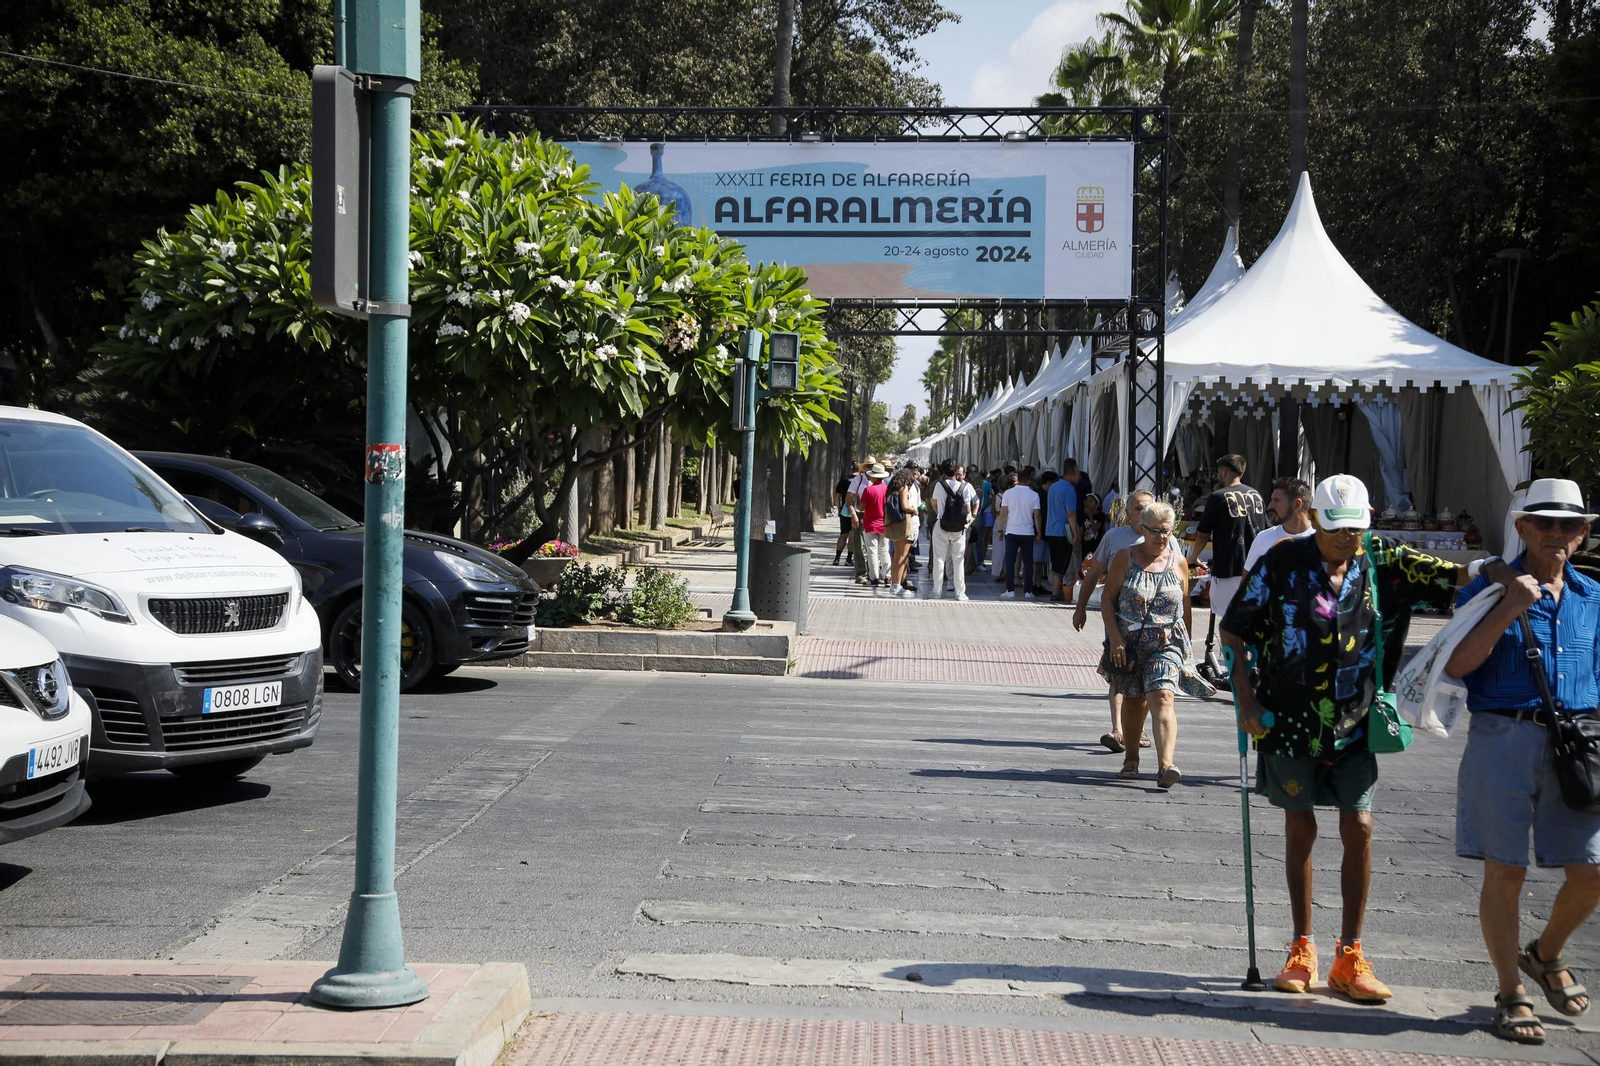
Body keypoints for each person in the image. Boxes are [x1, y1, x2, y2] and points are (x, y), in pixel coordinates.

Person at [1223, 473, 1521, 1003]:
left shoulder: (1383, 556)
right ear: (1315, 518)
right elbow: (1235, 627)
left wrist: (1495, 567)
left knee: (1359, 827)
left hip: (1358, 723)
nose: (1348, 541)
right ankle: (1302, 947)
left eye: (1357, 530)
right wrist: (1246, 698)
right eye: (1338, 530)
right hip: (1290, 721)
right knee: (1300, 829)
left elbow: (1453, 575)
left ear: (1369, 519)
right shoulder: (1281, 561)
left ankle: (1351, 954)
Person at [1443, 478, 1600, 1045]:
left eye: (1570, 525)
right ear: (1523, 528)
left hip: (1577, 744)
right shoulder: (1485, 592)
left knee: (1592, 872)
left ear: (1583, 535)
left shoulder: (1593, 598)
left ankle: (1546, 953)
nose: (1557, 534)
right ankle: (1510, 991)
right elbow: (1458, 665)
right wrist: (1510, 606)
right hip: (1501, 736)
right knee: (1504, 870)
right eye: (1546, 523)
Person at [1099, 500, 1207, 787]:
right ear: (1142, 529)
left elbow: (1184, 605)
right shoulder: (1126, 557)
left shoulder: (1179, 561)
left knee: (1162, 697)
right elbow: (1108, 599)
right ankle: (1131, 759)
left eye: (1167, 531)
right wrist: (1115, 639)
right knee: (1134, 702)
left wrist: (1188, 650)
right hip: (1130, 645)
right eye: (1155, 531)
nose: (1161, 537)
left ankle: (1166, 765)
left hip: (1166, 643)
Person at [1075, 490, 1180, 752]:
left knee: (1149, 681)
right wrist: (1081, 607)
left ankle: (1137, 730)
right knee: (1121, 672)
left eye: (1147, 508)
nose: (1142, 513)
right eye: (1137, 509)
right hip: (1120, 621)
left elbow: (1180, 580)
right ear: (1127, 512)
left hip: (1157, 630)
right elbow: (1094, 573)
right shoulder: (1114, 538)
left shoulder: (1168, 540)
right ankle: (1118, 729)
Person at [1189, 454, 1266, 624]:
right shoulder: (1257, 495)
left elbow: (1203, 533)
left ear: (1224, 471)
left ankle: (1234, 651)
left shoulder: (1218, 497)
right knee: (1251, 618)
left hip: (1230, 567)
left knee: (1230, 620)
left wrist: (1193, 557)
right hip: (1256, 566)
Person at [928, 460, 979, 601]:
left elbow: (933, 501)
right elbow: (968, 507)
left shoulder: (939, 485)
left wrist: (939, 513)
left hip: (942, 526)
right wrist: (970, 519)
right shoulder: (965, 486)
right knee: (958, 559)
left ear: (943, 472)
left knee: (939, 559)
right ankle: (960, 593)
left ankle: (936, 591)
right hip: (959, 528)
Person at [1244, 477, 1316, 572]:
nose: (1270, 506)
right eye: (1272, 500)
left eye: (1276, 501)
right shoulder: (1263, 539)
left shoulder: (1323, 541)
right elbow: (1246, 585)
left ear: (1297, 504)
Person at [997, 468, 1043, 600]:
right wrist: (1038, 532)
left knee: (1010, 561)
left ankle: (1010, 590)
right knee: (1028, 562)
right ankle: (1028, 591)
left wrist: (1000, 530)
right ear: (1030, 479)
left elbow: (1003, 513)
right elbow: (1037, 516)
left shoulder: (1008, 493)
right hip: (1028, 532)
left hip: (1012, 531)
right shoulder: (1034, 495)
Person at [1043, 469, 1081, 603]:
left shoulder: (1053, 487)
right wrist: (1075, 533)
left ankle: (1057, 589)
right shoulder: (1070, 490)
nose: (1079, 477)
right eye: (1077, 474)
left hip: (1050, 529)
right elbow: (1071, 513)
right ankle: (1055, 591)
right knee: (1063, 561)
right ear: (1070, 475)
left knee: (1055, 560)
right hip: (1063, 531)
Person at [886, 466, 922, 596]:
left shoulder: (893, 487)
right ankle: (897, 585)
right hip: (906, 524)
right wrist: (915, 510)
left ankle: (894, 584)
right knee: (903, 556)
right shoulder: (904, 487)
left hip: (896, 524)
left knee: (897, 555)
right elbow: (905, 506)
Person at [845, 456, 879, 586]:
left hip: (874, 517)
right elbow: (849, 499)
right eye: (869, 466)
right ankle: (860, 573)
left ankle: (873, 573)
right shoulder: (858, 480)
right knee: (859, 545)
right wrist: (853, 514)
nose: (871, 469)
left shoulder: (878, 481)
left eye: (873, 466)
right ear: (865, 468)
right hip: (860, 515)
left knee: (874, 547)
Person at [856, 462, 892, 587]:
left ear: (874, 476)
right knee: (884, 551)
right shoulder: (887, 490)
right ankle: (887, 577)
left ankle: (874, 578)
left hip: (870, 524)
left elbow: (860, 507)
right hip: (885, 524)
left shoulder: (869, 490)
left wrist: (857, 500)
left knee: (872, 552)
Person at [832, 469, 856, 568]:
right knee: (852, 536)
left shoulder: (844, 480)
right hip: (856, 512)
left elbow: (837, 495)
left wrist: (838, 508)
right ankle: (849, 559)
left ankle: (837, 558)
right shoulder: (860, 481)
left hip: (844, 511)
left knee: (843, 535)